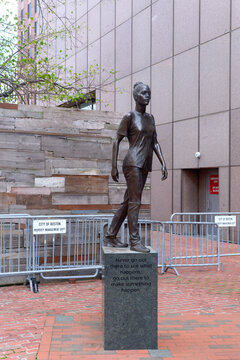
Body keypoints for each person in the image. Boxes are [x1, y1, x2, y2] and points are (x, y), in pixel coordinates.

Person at [104, 82, 168, 253]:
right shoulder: (129, 117)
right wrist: (113, 166)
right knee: (135, 202)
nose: (147, 96)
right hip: (132, 163)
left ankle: (110, 235)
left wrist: (163, 163)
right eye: (144, 93)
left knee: (128, 201)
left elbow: (154, 142)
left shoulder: (150, 118)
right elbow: (115, 141)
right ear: (136, 96)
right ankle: (134, 241)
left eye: (149, 93)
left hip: (145, 163)